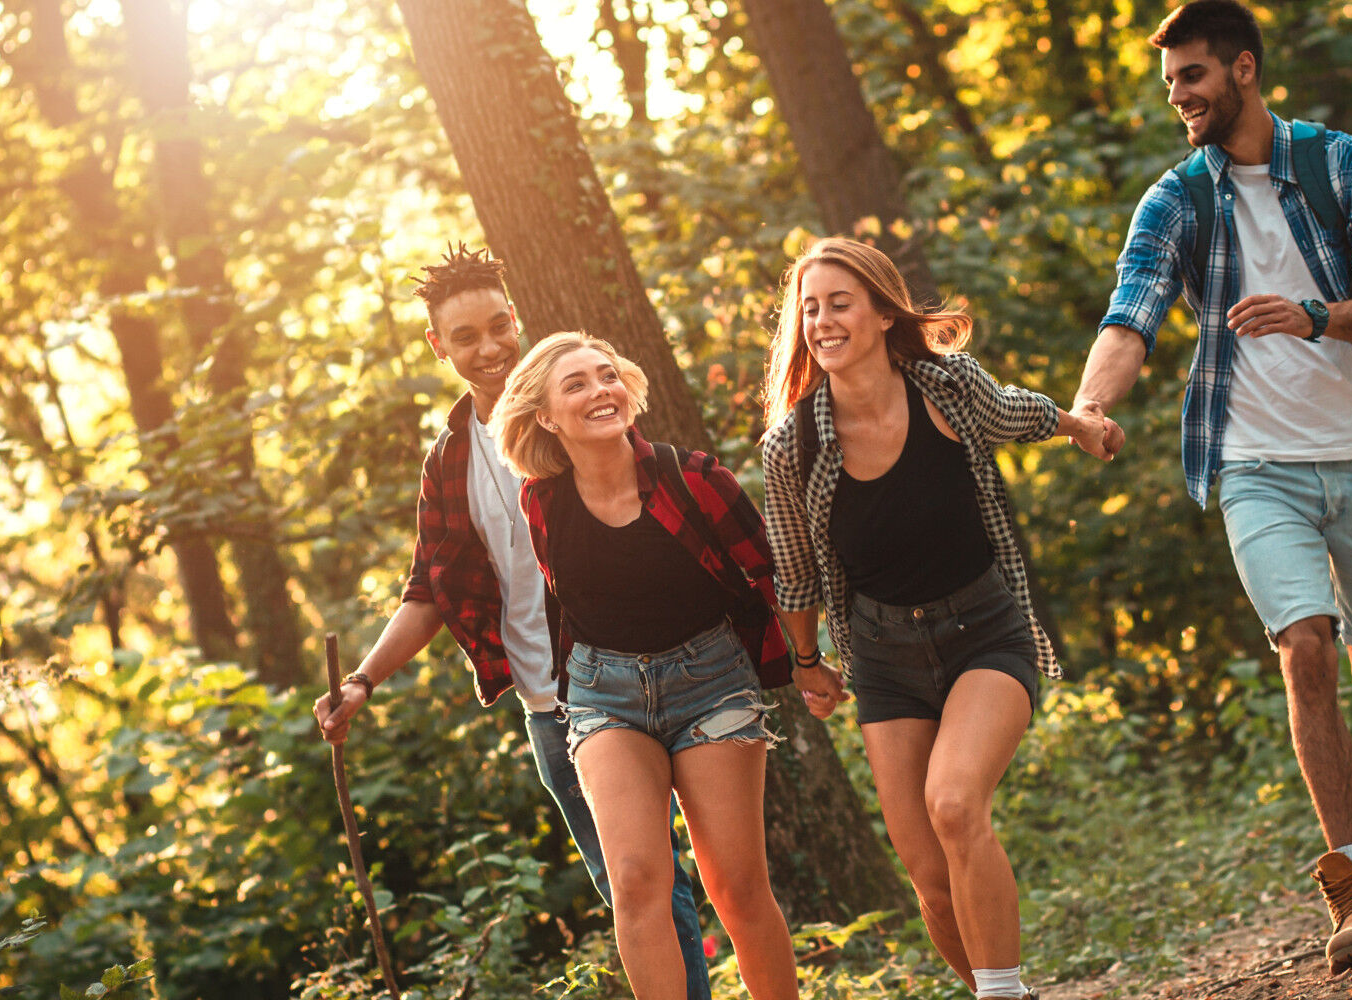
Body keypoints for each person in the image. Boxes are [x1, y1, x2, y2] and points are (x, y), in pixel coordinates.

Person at [1068, 0, 1352, 974]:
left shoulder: (1342, 165)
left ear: (1242, 69)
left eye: (1191, 78)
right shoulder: (1175, 200)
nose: (1179, 99)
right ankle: (1349, 882)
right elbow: (1131, 314)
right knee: (1303, 648)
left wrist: (1312, 315)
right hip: (1251, 466)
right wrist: (1086, 404)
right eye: (1169, 85)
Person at [310, 247, 712, 999]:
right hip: (546, 705)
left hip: (636, 677)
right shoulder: (449, 461)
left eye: (500, 326)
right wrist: (363, 680)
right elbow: (429, 588)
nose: (490, 348)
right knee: (635, 886)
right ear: (438, 346)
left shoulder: (567, 422)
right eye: (466, 337)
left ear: (519, 319)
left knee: (679, 881)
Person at [758, 237, 1112, 1000]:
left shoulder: (947, 389)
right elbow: (794, 571)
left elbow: (1016, 413)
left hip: (984, 632)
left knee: (953, 805)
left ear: (885, 314)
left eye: (840, 303)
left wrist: (1078, 424)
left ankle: (1002, 993)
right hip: (885, 659)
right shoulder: (794, 444)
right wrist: (807, 662)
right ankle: (997, 986)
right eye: (809, 308)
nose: (821, 320)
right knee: (925, 868)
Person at [492, 331, 799, 1000]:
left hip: (711, 681)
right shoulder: (542, 501)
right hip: (607, 694)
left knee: (737, 886)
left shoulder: (694, 477)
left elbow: (771, 574)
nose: (600, 390)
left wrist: (805, 660)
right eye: (576, 384)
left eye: (607, 376)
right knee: (634, 879)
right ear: (544, 416)